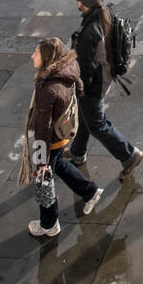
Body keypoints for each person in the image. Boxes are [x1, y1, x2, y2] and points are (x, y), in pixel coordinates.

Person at [20, 37, 102, 239]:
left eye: (36, 53)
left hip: (52, 139)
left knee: (44, 180)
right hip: (65, 131)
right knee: (58, 165)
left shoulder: (46, 89)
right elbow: (80, 88)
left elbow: (43, 128)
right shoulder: (69, 68)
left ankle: (49, 224)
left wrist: (40, 160)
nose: (32, 56)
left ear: (47, 58)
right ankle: (90, 191)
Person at [67, 0, 143, 181]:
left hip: (94, 84)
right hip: (105, 75)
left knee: (97, 124)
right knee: (86, 117)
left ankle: (129, 155)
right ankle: (77, 152)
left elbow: (85, 67)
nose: (77, 2)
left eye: (79, 0)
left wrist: (78, 87)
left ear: (85, 3)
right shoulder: (105, 15)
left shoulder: (89, 31)